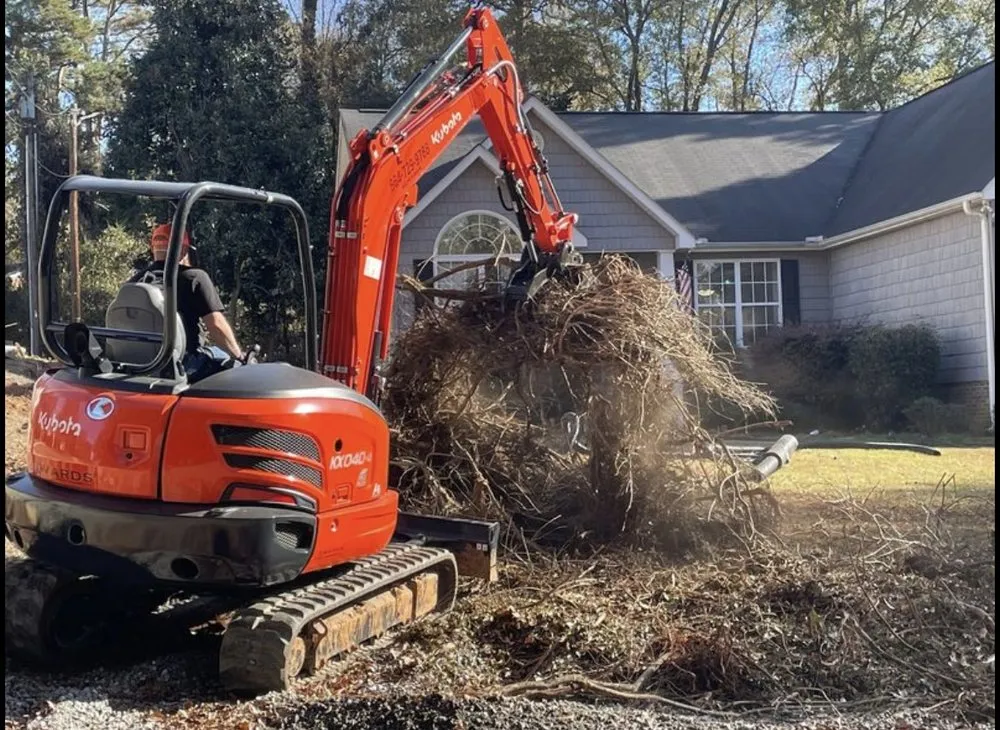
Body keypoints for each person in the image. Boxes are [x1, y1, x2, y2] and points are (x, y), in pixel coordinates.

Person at [130, 223, 244, 380]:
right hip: (184, 362)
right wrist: (239, 356)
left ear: (152, 248)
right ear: (183, 249)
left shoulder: (134, 283)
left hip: (142, 362)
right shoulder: (194, 278)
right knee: (227, 359)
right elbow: (216, 325)